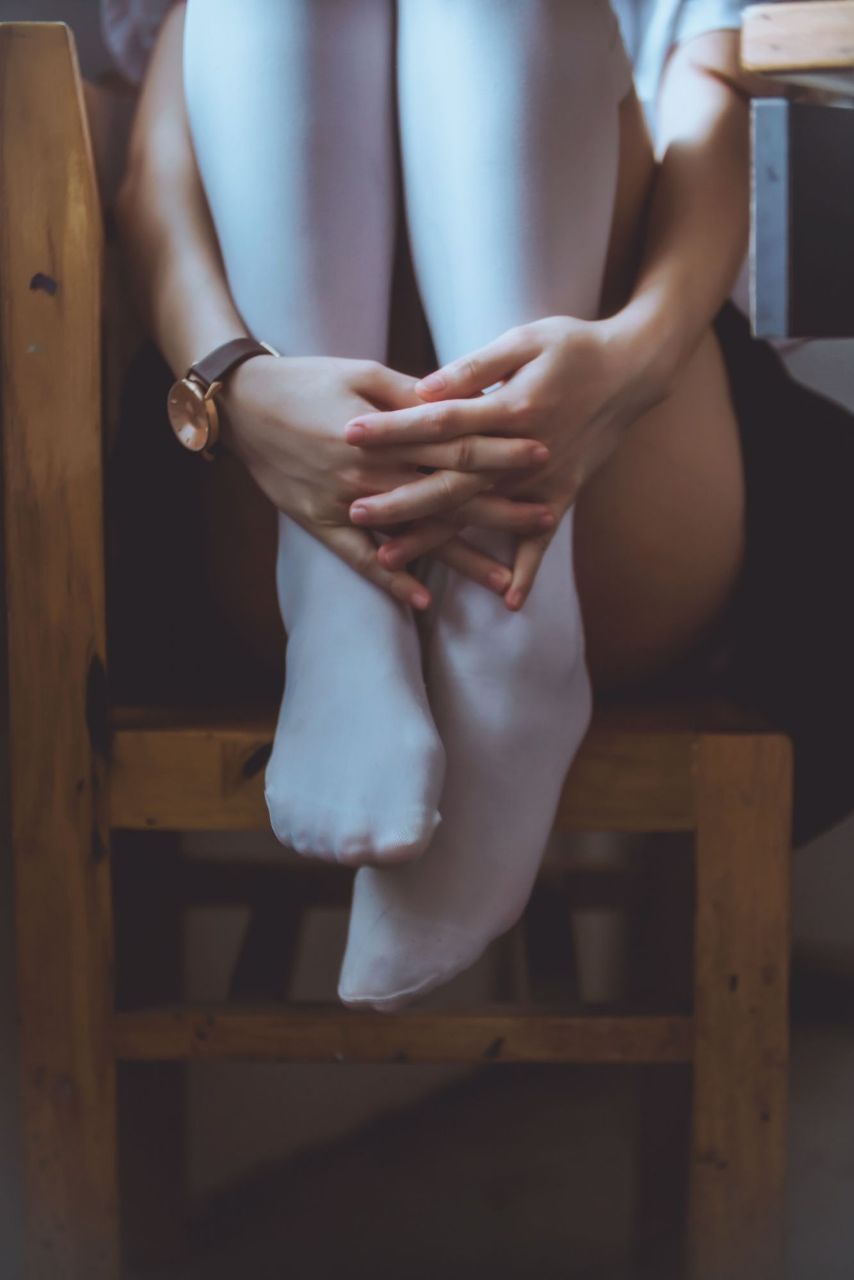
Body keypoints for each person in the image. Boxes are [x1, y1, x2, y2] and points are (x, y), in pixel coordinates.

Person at [109, 0, 854, 1009]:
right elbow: (154, 181)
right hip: (277, 481)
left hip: (600, 466)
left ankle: (508, 640)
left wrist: (628, 362)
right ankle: (343, 604)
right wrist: (235, 386)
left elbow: (712, 127)